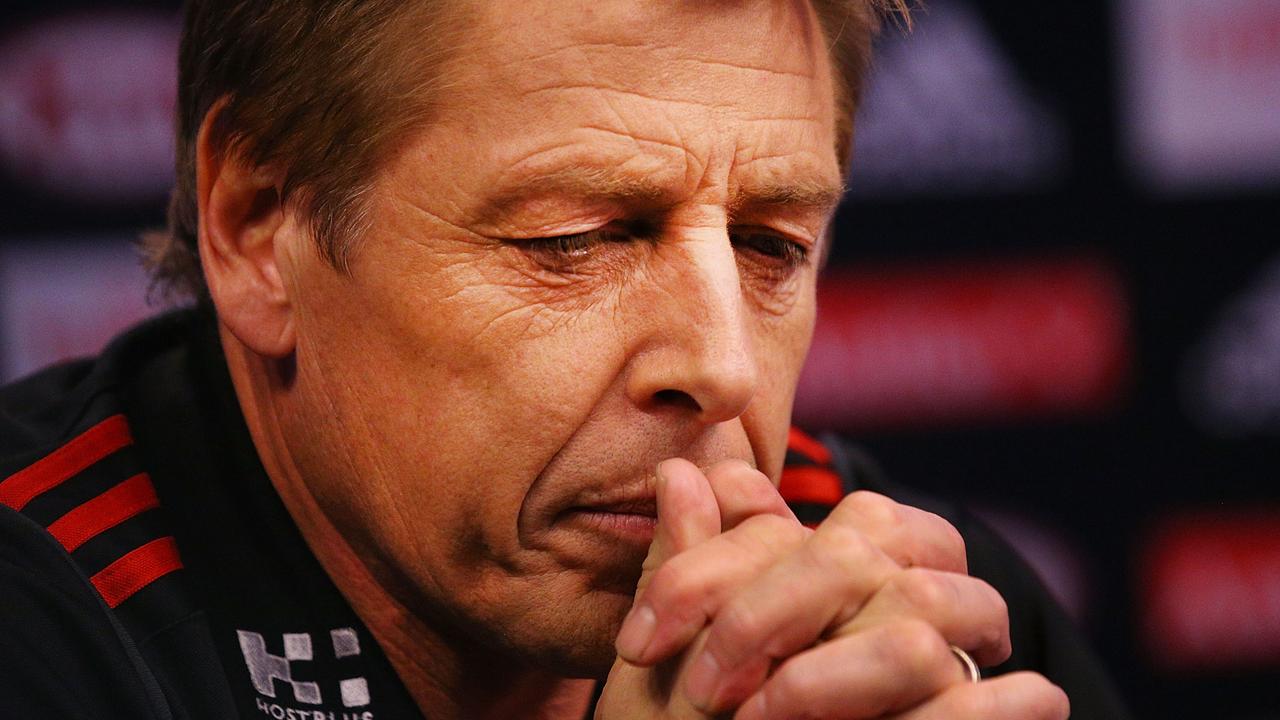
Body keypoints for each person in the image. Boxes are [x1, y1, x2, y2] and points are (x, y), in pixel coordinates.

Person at [0, 0, 1129, 718]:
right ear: (258, 226)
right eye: (574, 240)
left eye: (768, 245)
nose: (722, 366)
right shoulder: (41, 628)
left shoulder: (923, 621)